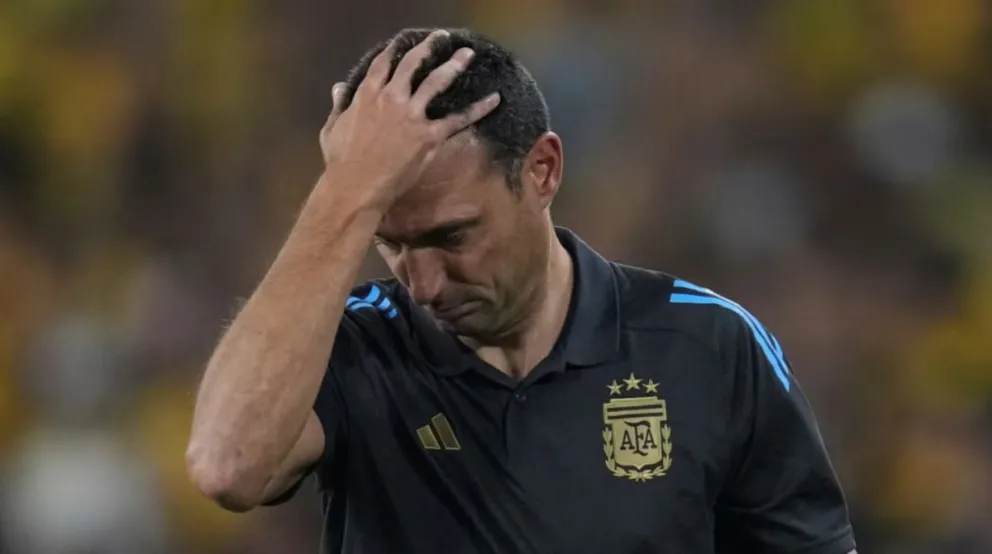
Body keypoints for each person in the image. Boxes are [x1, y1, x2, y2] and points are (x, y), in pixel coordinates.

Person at [186, 27, 857, 554]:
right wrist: (345, 193)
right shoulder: (352, 347)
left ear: (542, 171)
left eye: (452, 236)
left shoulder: (708, 345)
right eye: (390, 242)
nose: (423, 284)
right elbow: (228, 466)